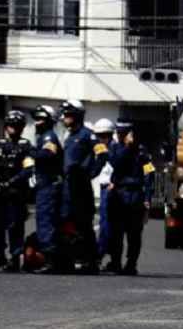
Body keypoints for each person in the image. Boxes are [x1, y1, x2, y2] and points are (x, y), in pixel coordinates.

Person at [106, 122, 150, 276]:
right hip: (119, 194)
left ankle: (131, 264)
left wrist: (148, 197)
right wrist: (127, 147)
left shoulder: (141, 151)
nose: (120, 136)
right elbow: (116, 164)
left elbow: (148, 173)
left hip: (135, 195)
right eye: (118, 133)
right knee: (115, 233)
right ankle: (115, 262)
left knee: (134, 234)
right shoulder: (115, 148)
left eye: (123, 133)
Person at [0, 109, 31, 272]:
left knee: (15, 227)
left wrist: (12, 182)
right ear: (6, 127)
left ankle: (14, 260)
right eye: (11, 125)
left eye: (17, 125)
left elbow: (28, 169)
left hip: (16, 193)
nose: (14, 128)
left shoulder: (26, 146)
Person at [59, 99, 97, 274]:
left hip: (81, 187)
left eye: (67, 114)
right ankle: (71, 259)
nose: (64, 117)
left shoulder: (87, 135)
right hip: (67, 185)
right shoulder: (69, 136)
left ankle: (90, 262)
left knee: (83, 224)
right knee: (67, 222)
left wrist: (89, 173)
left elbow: (102, 155)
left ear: (77, 116)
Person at [30, 105, 63, 274]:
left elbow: (48, 155)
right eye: (36, 119)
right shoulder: (42, 137)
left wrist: (31, 152)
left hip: (48, 186)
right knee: (44, 221)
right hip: (43, 185)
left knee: (46, 222)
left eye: (41, 119)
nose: (37, 122)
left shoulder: (49, 137)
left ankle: (50, 261)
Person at [90, 117, 118, 270]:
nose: (102, 139)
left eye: (104, 135)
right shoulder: (100, 149)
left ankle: (101, 255)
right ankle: (110, 258)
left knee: (108, 225)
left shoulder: (114, 149)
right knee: (106, 225)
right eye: (99, 136)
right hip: (102, 188)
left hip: (111, 189)